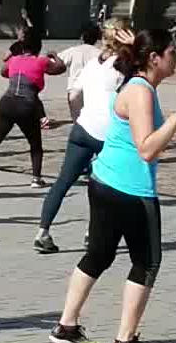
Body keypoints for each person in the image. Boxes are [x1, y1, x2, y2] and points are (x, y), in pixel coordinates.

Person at [49, 29, 176, 343]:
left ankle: (66, 328)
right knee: (147, 262)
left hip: (106, 180)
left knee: (99, 255)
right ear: (154, 58)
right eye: (172, 52)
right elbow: (147, 148)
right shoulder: (140, 91)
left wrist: (131, 41)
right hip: (130, 189)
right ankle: (125, 342)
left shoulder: (134, 82)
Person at [34, 20, 133, 254]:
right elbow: (146, 70)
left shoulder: (92, 64)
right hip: (108, 134)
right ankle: (93, 234)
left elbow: (74, 96)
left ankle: (43, 231)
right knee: (106, 188)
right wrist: (135, 43)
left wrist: (80, 117)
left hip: (82, 129)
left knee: (63, 182)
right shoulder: (123, 65)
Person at [0, 32, 64, 189]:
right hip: (27, 105)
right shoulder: (41, 61)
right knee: (35, 144)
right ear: (38, 47)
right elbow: (60, 68)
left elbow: (3, 72)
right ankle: (36, 178)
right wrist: (55, 56)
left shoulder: (13, 60)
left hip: (6, 103)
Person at [56, 24, 103, 122]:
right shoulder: (100, 53)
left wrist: (52, 54)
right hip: (94, 91)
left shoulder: (73, 51)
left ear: (82, 37)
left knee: (77, 121)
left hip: (74, 91)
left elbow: (57, 62)